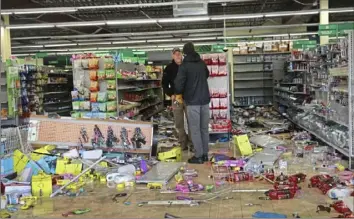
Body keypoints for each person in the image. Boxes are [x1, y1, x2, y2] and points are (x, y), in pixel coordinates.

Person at [174, 42, 210, 164]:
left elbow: (178, 86)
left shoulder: (184, 66)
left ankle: (199, 156)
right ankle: (205, 154)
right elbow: (207, 75)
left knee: (195, 130)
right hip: (205, 101)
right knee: (204, 129)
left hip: (192, 102)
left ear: (184, 53)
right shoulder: (201, 63)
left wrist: (181, 91)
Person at [162, 47, 192, 151]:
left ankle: (192, 143)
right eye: (175, 54)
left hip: (189, 98)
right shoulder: (169, 68)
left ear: (182, 55)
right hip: (176, 98)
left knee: (191, 121)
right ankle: (182, 144)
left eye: (179, 53)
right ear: (172, 56)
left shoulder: (187, 66)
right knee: (179, 122)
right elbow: (164, 84)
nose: (178, 55)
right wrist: (171, 94)